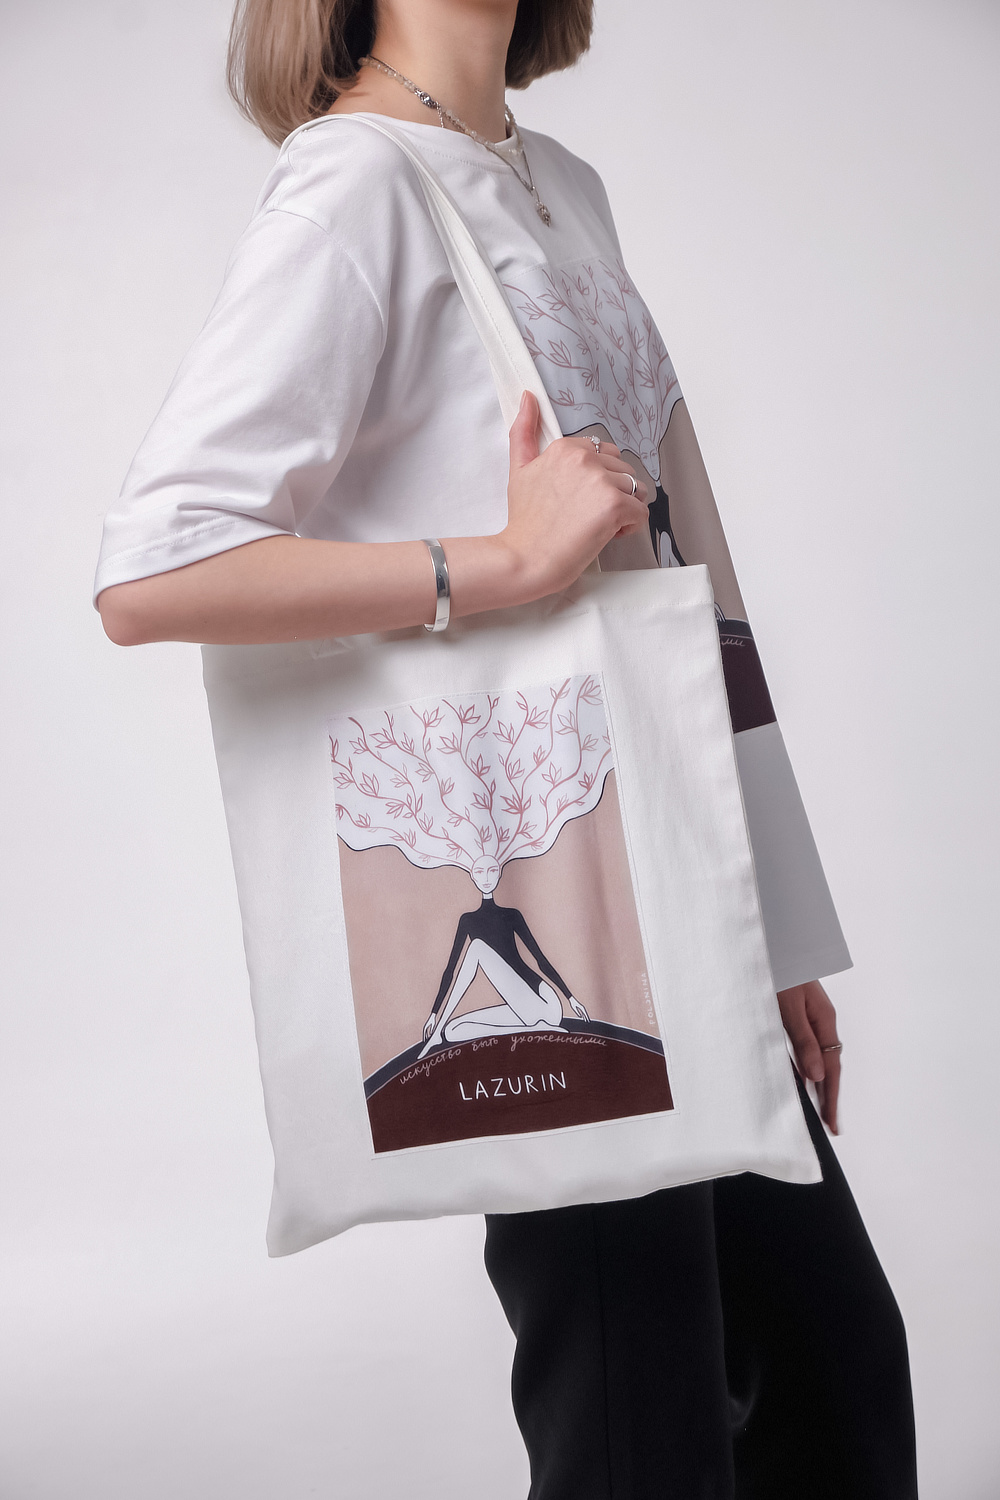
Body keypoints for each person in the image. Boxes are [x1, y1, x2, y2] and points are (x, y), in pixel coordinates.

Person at [94, 1, 918, 1494]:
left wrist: (771, 927)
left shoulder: (562, 183)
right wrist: (500, 565)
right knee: (641, 1426)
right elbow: (156, 568)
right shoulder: (353, 184)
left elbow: (689, 568)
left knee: (831, 1375)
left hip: (679, 893)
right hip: (556, 902)